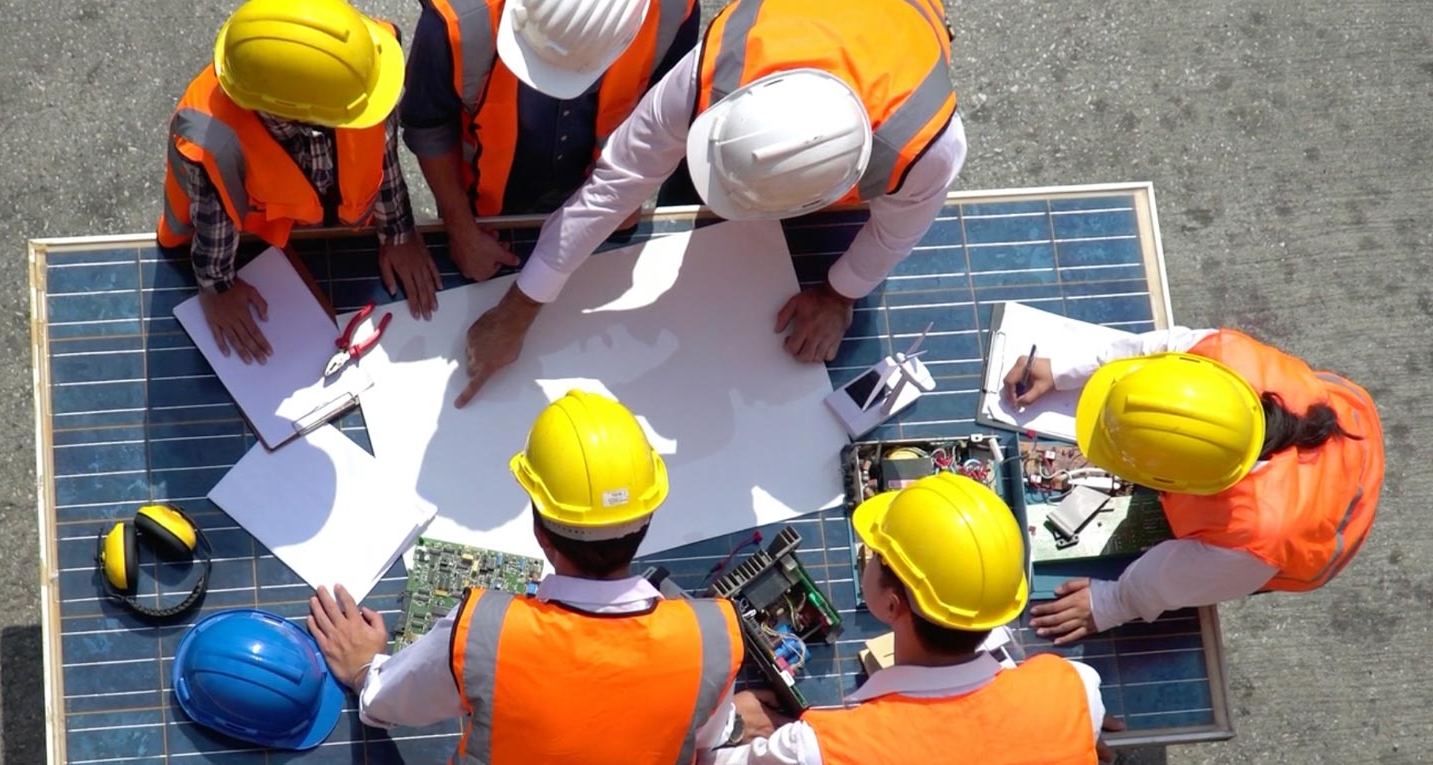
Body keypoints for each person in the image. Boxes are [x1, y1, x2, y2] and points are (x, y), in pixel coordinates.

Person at [454, 0, 969, 407]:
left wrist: (839, 295)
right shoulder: (712, 71)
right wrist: (519, 308)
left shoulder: (923, 148)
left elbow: (893, 233)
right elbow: (616, 184)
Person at [306, 389, 747, 764]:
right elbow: (706, 737)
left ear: (541, 533)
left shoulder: (485, 634)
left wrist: (364, 669)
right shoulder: (712, 641)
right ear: (648, 516)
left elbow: (388, 703)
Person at [1005, 327, 1384, 645]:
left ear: (1173, 483)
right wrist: (1062, 369)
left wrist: (1112, 602)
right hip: (1350, 416)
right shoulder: (1222, 356)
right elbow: (1151, 352)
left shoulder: (1255, 537)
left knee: (1220, 568)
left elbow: (1167, 580)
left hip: (1331, 526)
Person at [706, 473, 1112, 765]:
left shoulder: (822, 750)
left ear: (892, 604)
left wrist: (731, 727)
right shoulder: (1075, 690)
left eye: (876, 555)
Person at [157, 0, 441, 366]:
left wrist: (398, 232)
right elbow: (215, 221)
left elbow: (378, 148)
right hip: (253, 240)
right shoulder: (212, 141)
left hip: (322, 218)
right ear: (299, 113)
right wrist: (217, 287)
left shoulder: (358, 68)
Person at [402, 0, 701, 282]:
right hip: (482, 202)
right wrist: (461, 228)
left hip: (596, 186)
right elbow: (430, 125)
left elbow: (666, 114)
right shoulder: (458, 17)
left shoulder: (672, 10)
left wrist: (627, 191)